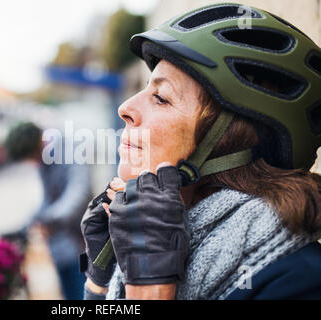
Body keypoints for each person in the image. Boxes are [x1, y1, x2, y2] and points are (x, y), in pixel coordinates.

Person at [80, 3, 321, 300]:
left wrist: (150, 290)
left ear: (228, 141)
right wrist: (99, 281)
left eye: (161, 98)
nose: (125, 108)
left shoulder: (299, 282)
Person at [5, 121, 91, 299]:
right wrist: (30, 221)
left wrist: (48, 217)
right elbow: (47, 197)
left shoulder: (70, 148)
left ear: (39, 144)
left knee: (84, 290)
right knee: (68, 291)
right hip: (60, 241)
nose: (34, 162)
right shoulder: (43, 158)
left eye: (32, 156)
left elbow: (79, 192)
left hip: (82, 238)